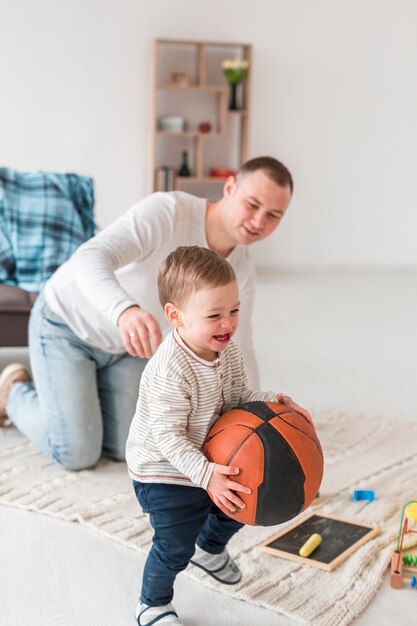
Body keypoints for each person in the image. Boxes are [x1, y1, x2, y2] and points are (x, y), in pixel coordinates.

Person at [0, 156, 294, 471]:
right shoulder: (168, 212)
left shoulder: (243, 268)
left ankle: (85, 391)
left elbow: (241, 342)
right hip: (65, 325)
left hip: (130, 350)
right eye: (253, 205)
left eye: (273, 215)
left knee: (135, 446)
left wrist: (255, 415)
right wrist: (124, 311)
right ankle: (14, 389)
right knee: (77, 452)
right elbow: (90, 256)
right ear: (230, 187)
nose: (258, 221)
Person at [127, 246, 311, 626]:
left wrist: (274, 401)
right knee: (175, 545)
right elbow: (169, 438)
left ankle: (209, 548)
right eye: (214, 315)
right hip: (163, 469)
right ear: (175, 317)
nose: (228, 323)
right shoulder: (171, 371)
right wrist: (206, 475)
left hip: (207, 452)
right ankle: (152, 602)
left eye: (234, 310)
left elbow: (240, 399)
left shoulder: (228, 351)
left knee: (250, 492)